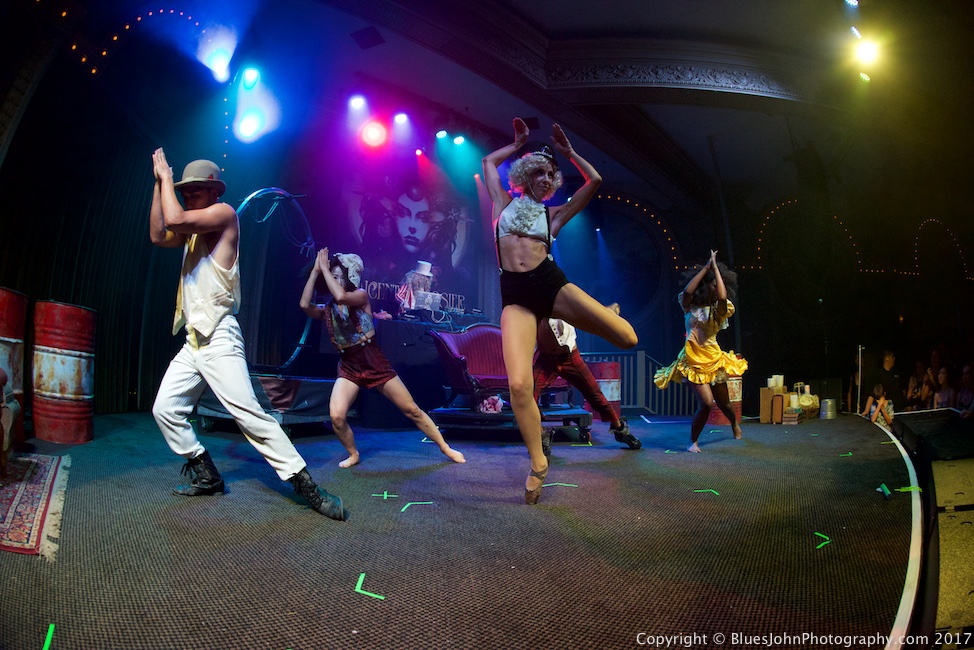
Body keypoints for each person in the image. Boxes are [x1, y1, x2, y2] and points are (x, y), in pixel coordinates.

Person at [148, 151, 348, 521]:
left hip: (220, 336)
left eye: (194, 192)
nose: (188, 196)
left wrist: (164, 175)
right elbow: (159, 234)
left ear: (213, 192)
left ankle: (306, 485)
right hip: (194, 341)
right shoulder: (191, 232)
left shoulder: (225, 215)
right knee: (165, 409)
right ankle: (205, 473)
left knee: (250, 414)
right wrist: (161, 184)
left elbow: (174, 217)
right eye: (184, 191)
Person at [483, 118, 638, 504]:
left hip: (550, 287)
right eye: (538, 170)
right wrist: (517, 143)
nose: (545, 177)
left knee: (626, 337)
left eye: (551, 173)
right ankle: (538, 465)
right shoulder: (501, 206)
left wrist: (569, 154)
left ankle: (607, 313)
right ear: (524, 175)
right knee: (519, 385)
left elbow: (596, 181)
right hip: (516, 296)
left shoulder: (553, 216)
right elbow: (488, 163)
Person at [299, 248, 465, 468]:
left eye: (340, 276)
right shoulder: (328, 309)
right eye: (333, 276)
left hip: (372, 359)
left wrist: (326, 270)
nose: (336, 281)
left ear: (350, 278)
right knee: (337, 416)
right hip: (349, 365)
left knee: (411, 410)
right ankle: (353, 453)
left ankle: (446, 448)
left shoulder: (359, 295)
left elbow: (341, 295)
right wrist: (315, 272)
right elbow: (304, 305)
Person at [654, 251, 748, 453]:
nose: (716, 289)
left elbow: (722, 296)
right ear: (707, 286)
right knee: (706, 403)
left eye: (718, 285)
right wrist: (706, 268)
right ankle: (693, 441)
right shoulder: (690, 306)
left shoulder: (721, 309)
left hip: (713, 359)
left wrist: (715, 269)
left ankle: (734, 423)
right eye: (713, 285)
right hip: (692, 360)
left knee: (725, 404)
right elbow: (688, 291)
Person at [533, 307, 641, 453]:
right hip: (546, 359)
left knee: (594, 394)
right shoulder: (531, 307)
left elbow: (587, 312)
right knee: (528, 395)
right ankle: (541, 436)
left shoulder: (561, 300)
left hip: (570, 357)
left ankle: (620, 429)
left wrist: (608, 312)